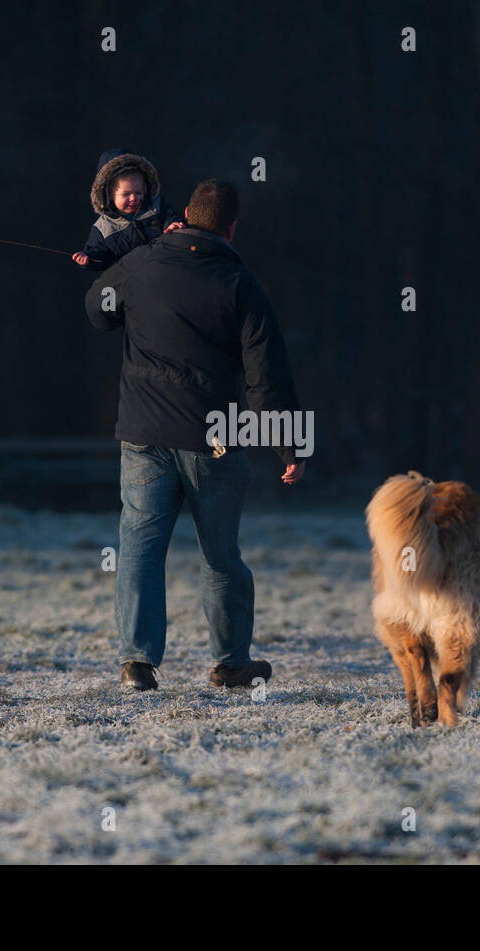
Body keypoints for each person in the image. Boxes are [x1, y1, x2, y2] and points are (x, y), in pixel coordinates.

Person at [84, 178, 306, 691]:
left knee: (139, 545)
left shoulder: (141, 264)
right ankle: (230, 664)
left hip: (143, 432)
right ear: (231, 227)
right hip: (216, 437)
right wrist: (288, 444)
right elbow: (265, 373)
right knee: (221, 554)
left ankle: (137, 664)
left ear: (183, 213)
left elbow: (98, 310)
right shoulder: (239, 283)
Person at [72, 149, 182, 271]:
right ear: (109, 195)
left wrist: (173, 225)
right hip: (133, 281)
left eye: (138, 192)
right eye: (126, 194)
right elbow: (98, 255)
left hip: (164, 267)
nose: (134, 198)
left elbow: (171, 216)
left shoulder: (156, 207)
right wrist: (88, 259)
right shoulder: (104, 229)